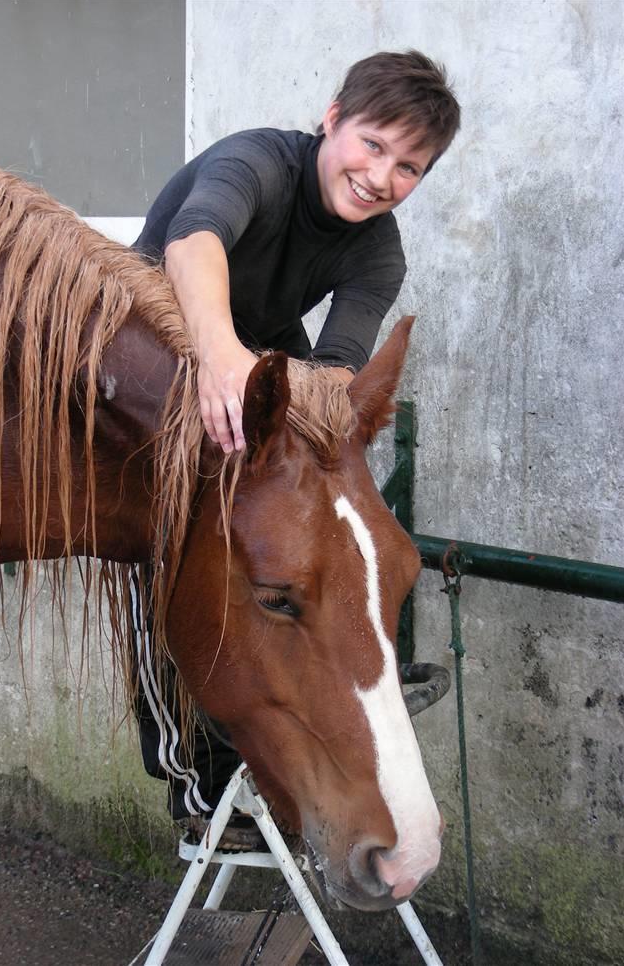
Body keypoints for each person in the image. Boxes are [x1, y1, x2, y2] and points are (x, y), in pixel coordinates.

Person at [129, 50, 460, 847]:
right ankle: (196, 784)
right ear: (332, 119)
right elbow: (192, 244)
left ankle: (352, 679)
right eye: (373, 144)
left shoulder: (379, 253)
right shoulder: (256, 164)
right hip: (144, 351)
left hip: (263, 367)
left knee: (315, 516)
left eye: (408, 167)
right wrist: (220, 357)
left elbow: (335, 379)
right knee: (158, 554)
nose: (380, 177)